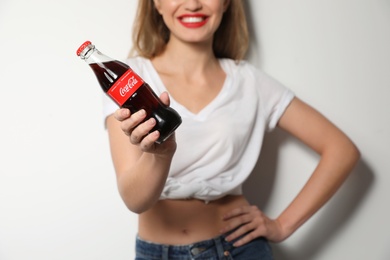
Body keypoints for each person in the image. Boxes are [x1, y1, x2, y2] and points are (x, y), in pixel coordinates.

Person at [103, 0, 360, 259]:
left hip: (241, 251)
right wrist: (160, 155)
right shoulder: (129, 80)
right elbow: (134, 201)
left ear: (226, 3)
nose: (192, 4)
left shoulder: (250, 82)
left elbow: (342, 150)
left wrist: (282, 226)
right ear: (156, 3)